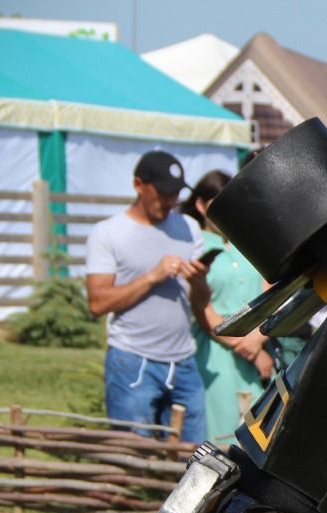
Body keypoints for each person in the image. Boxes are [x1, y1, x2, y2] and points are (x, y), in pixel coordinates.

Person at [86, 150, 208, 441]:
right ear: (138, 185)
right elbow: (97, 303)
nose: (171, 201)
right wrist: (152, 276)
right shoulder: (108, 233)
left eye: (176, 193)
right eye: (164, 192)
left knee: (192, 458)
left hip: (184, 362)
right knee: (134, 454)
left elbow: (201, 300)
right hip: (133, 361)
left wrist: (200, 281)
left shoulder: (188, 229)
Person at [181, 170, 273, 445]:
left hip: (260, 344)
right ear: (200, 205)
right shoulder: (194, 246)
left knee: (257, 433)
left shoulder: (251, 241)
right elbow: (200, 306)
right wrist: (243, 345)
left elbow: (272, 292)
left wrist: (259, 339)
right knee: (220, 434)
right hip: (216, 352)